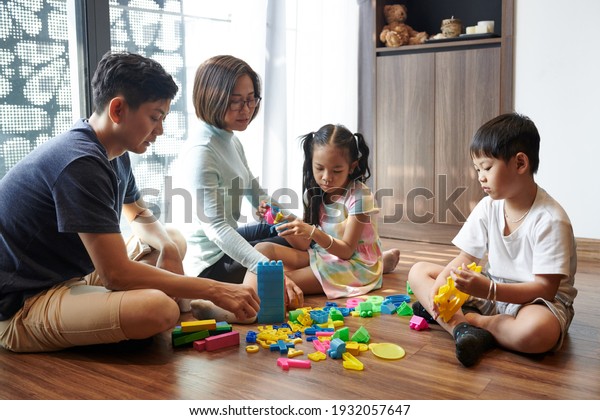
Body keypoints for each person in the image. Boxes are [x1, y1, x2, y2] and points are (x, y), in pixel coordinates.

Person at [0, 51, 259, 353]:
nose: (160, 130)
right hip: (26, 302)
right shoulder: (80, 162)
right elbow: (116, 274)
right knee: (158, 309)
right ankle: (181, 304)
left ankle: (186, 304)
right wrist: (215, 288)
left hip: (74, 273)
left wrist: (168, 248)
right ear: (118, 109)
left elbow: (137, 215)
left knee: (172, 239)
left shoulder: (114, 152)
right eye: (155, 117)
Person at [167, 56, 400, 312]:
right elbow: (218, 231)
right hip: (212, 263)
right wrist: (268, 270)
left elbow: (258, 196)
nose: (247, 109)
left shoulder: (230, 140)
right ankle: (363, 267)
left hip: (230, 242)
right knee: (280, 247)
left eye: (251, 98)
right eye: (237, 101)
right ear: (212, 97)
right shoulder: (202, 152)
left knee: (289, 230)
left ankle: (367, 265)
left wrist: (298, 227)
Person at [407, 113, 577, 367]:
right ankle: (462, 331)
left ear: (520, 163)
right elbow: (465, 257)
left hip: (536, 302)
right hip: (492, 290)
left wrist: (488, 290)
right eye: (477, 170)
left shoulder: (551, 219)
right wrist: (441, 287)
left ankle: (473, 324)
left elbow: (546, 288)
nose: (480, 177)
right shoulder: (489, 207)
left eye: (487, 168)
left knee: (539, 332)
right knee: (419, 272)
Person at [191, 123, 398, 323]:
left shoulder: (360, 196)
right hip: (324, 256)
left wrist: (311, 232)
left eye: (336, 171)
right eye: (319, 168)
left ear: (352, 167)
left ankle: (242, 311)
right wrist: (278, 219)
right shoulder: (315, 195)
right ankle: (246, 303)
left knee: (279, 280)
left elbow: (345, 251)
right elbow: (304, 245)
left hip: (352, 265)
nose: (326, 178)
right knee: (264, 250)